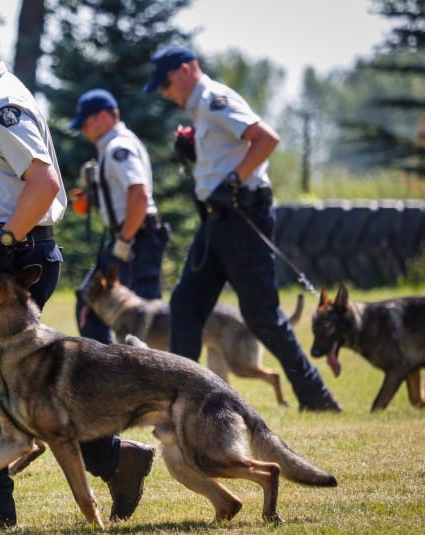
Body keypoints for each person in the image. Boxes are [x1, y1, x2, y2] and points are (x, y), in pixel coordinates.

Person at [0, 16, 155, 533]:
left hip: (15, 262)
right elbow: (11, 178)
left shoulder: (1, 104)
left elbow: (43, 183)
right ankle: (117, 461)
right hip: (10, 261)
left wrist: (1, 245)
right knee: (22, 390)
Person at [143, 45, 341, 412]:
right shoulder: (201, 109)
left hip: (242, 218)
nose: (165, 92)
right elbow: (225, 152)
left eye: (167, 83)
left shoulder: (215, 98)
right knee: (185, 306)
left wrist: (232, 180)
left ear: (187, 69)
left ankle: (317, 397)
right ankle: (183, 400)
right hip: (216, 223)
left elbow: (266, 139)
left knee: (262, 316)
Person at [68, 88, 170, 343]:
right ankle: (111, 368)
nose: (83, 130)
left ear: (104, 116)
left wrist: (125, 240)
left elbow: (139, 194)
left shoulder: (118, 147)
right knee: (89, 301)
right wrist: (92, 195)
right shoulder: (111, 148)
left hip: (136, 238)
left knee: (145, 318)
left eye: (86, 123)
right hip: (127, 236)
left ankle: (155, 374)